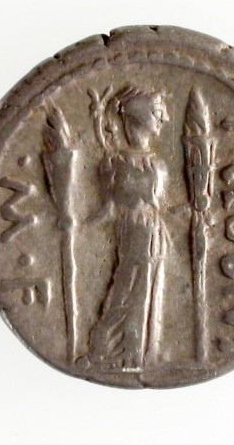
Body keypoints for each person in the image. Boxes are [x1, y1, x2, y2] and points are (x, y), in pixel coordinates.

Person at [87, 87, 170, 369]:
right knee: (127, 291)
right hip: (134, 232)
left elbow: (155, 205)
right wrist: (78, 224)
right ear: (139, 114)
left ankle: (138, 355)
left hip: (153, 234)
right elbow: (108, 208)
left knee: (144, 292)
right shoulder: (114, 162)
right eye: (158, 111)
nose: (165, 118)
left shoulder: (155, 162)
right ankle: (111, 352)